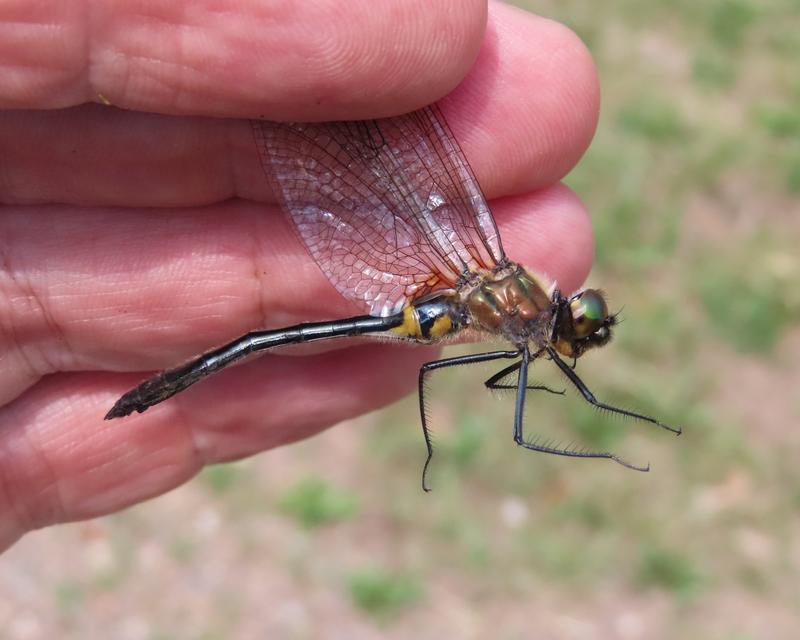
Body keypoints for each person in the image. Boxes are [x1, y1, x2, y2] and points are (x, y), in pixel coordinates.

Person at [0, 0, 599, 553]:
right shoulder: (518, 306)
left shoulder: (515, 302)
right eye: (582, 327)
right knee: (255, 341)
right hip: (435, 295)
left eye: (583, 328)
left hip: (438, 298)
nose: (578, 333)